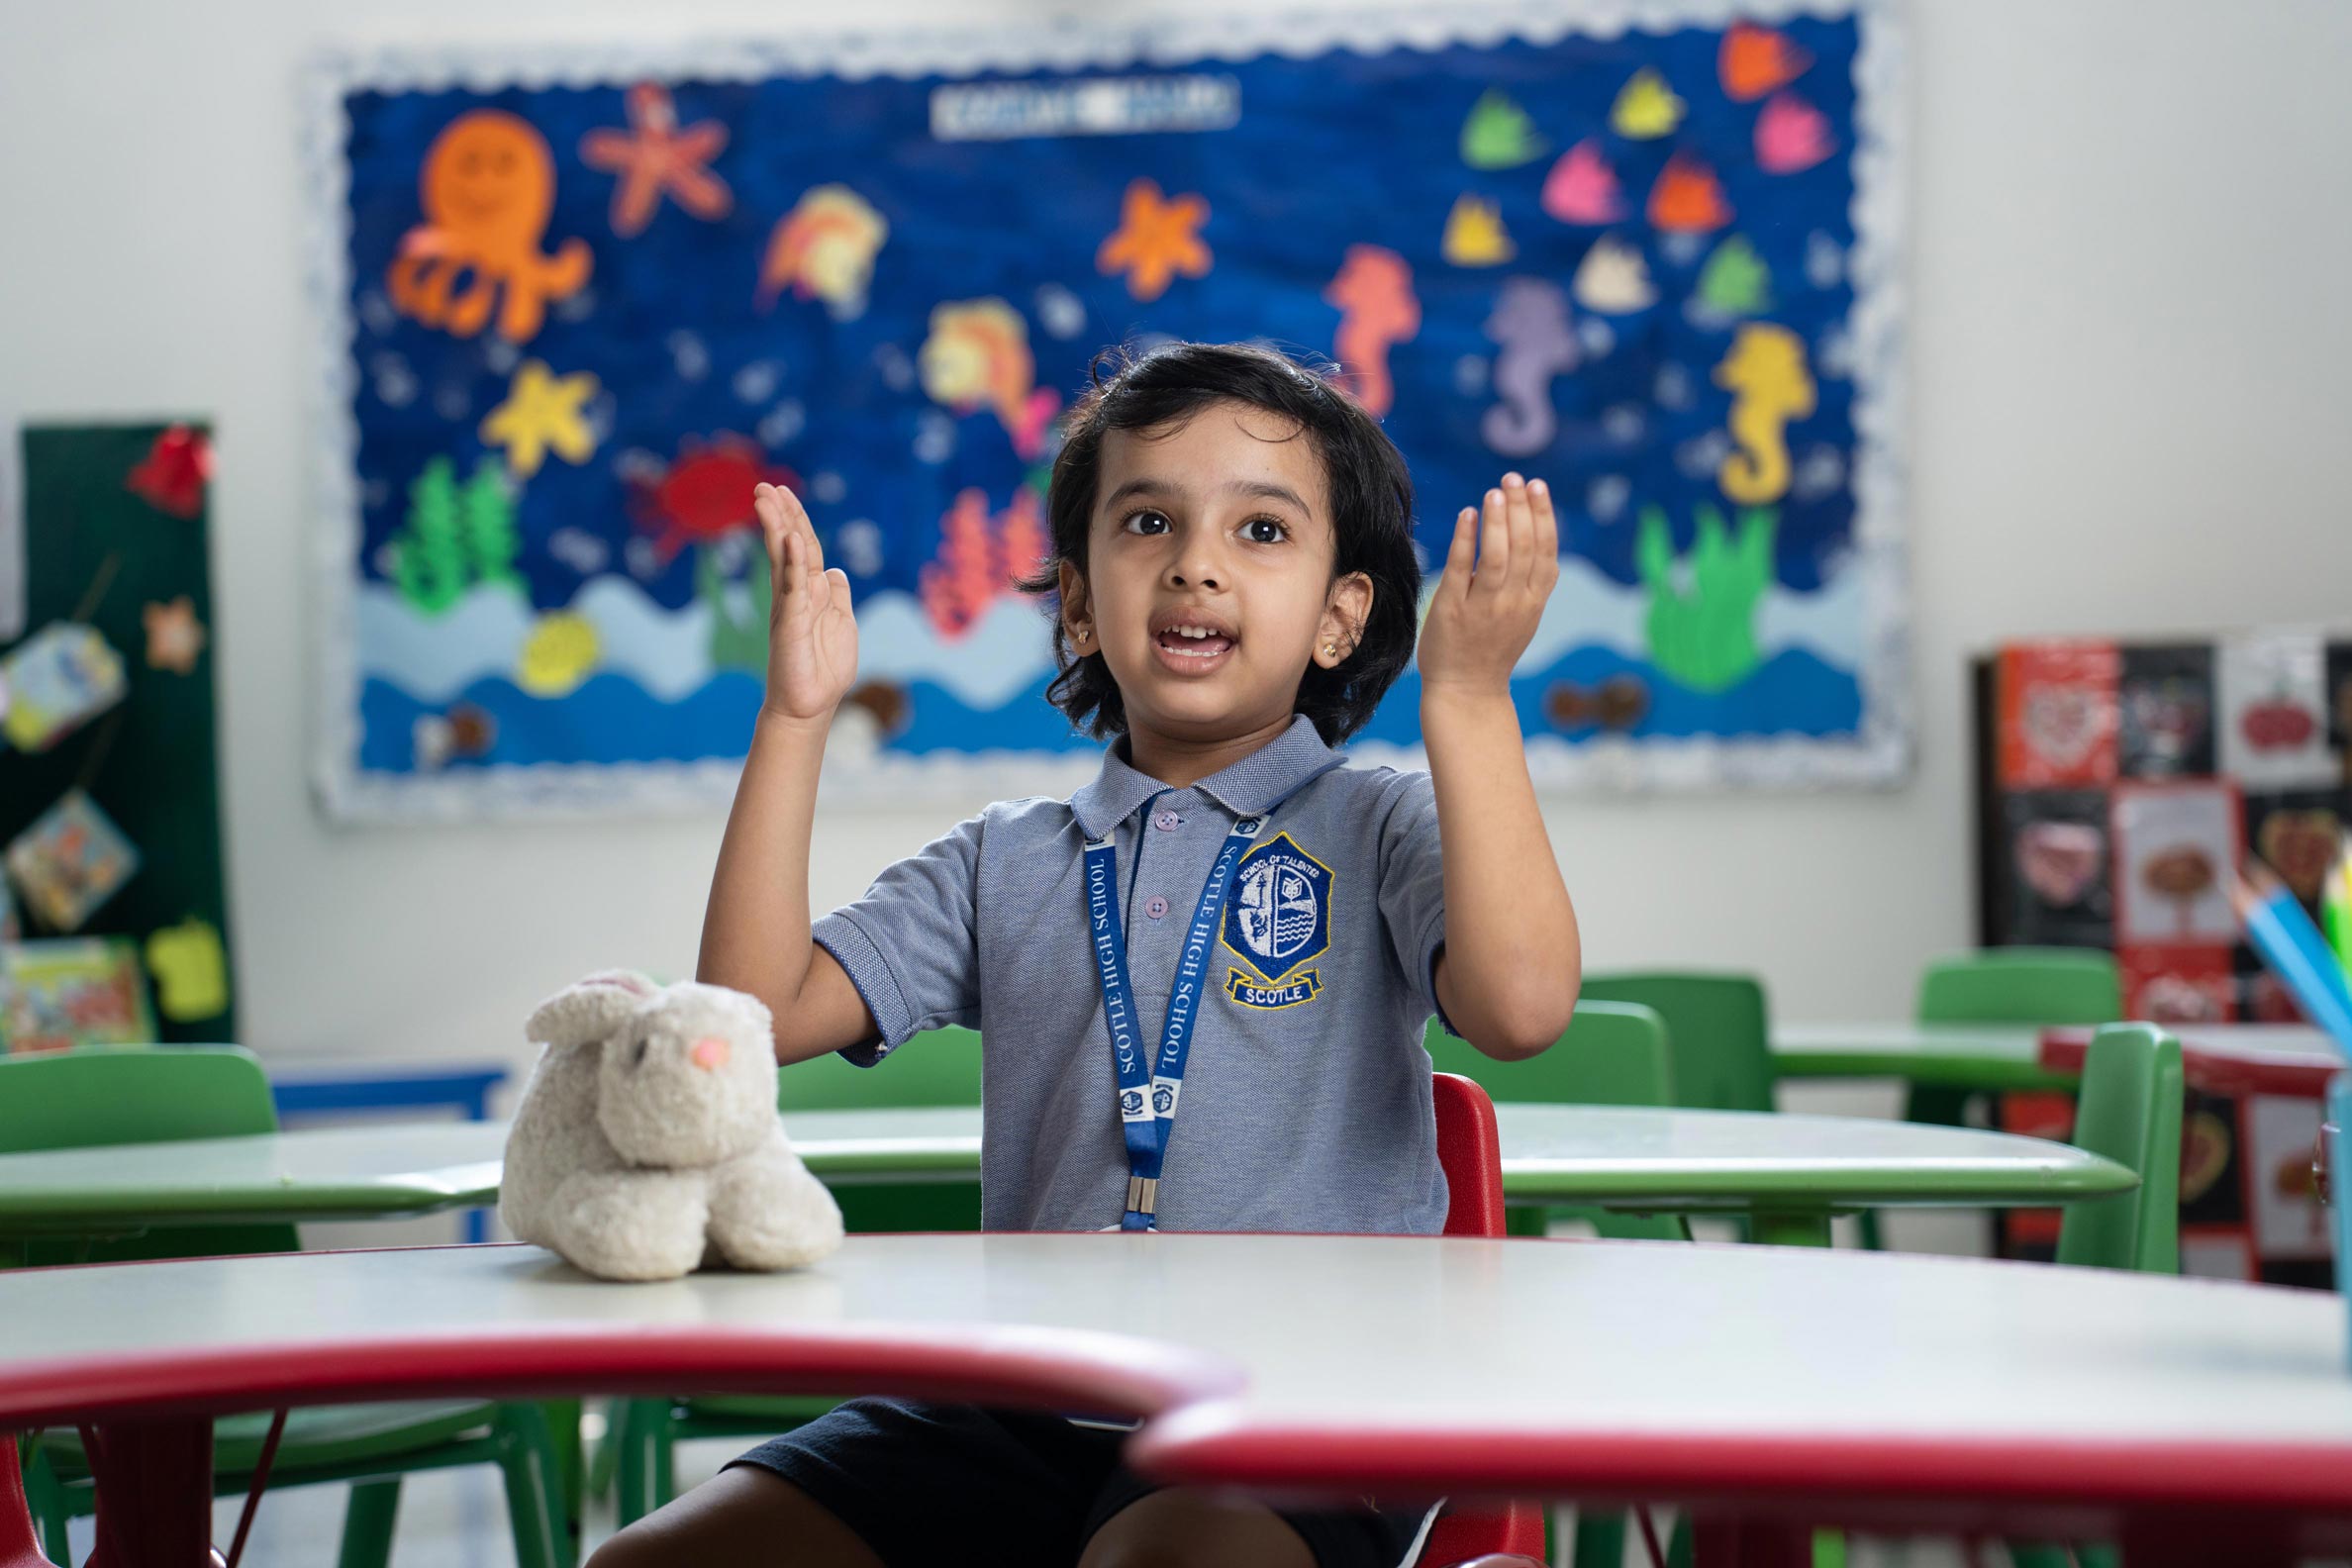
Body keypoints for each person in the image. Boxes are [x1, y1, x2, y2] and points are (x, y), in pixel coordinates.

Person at [593, 341, 1579, 1568]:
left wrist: (1472, 703)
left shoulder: (1377, 826)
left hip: (1296, 1412)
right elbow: (737, 1025)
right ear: (1076, 603)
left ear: (1342, 618)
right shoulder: (1004, 859)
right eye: (1149, 520)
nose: (1196, 563)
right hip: (1012, 1411)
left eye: (1262, 532)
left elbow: (1524, 1006)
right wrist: (797, 719)